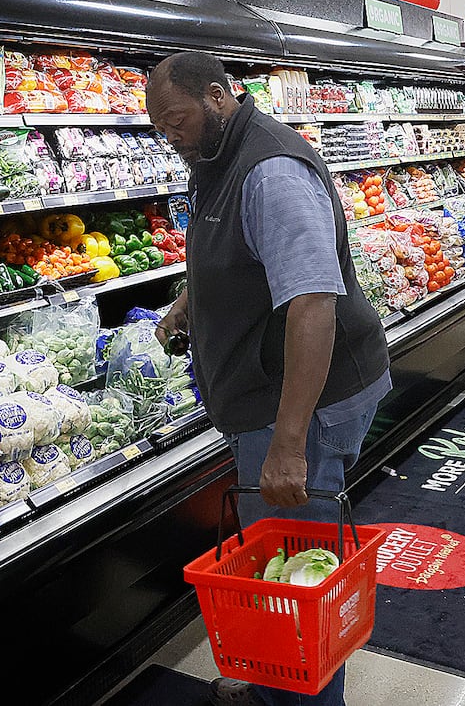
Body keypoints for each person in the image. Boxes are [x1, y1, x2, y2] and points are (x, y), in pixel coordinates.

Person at [146, 52, 390, 706]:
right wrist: (186, 304)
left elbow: (312, 303)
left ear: (220, 96)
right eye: (162, 127)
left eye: (179, 119)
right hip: (267, 392)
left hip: (304, 401)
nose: (173, 135)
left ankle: (301, 696)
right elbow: (228, 256)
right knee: (276, 557)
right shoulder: (217, 160)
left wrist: (289, 441)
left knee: (298, 574)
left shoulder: (270, 171)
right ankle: (271, 684)